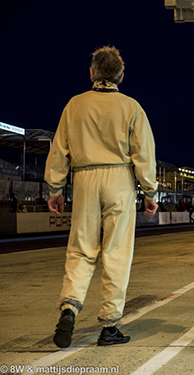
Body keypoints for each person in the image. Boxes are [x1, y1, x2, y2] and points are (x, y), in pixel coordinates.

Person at [44, 46, 158, 348]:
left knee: (81, 249)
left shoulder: (74, 105)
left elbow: (59, 151)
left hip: (84, 179)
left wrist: (55, 189)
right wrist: (149, 191)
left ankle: (69, 306)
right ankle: (109, 325)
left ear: (92, 73)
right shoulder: (131, 107)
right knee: (116, 253)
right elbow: (143, 154)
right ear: (121, 75)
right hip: (119, 179)